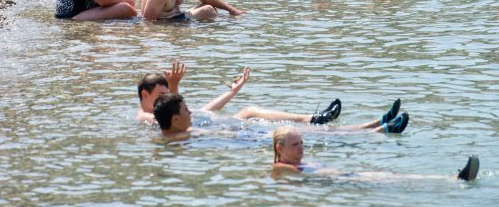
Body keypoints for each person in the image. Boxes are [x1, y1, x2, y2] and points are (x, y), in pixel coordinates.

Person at [272, 127, 479, 179]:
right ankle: (453, 178)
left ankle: (452, 178)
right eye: (295, 145)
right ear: (280, 148)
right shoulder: (281, 168)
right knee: (390, 178)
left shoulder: (294, 164)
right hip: (344, 180)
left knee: (390, 176)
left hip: (346, 176)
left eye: (301, 143)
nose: (301, 147)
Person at [152, 88, 348, 140]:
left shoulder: (176, 125)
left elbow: (205, 110)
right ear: (176, 118)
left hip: (231, 126)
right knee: (283, 134)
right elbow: (223, 136)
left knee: (249, 110)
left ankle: (313, 119)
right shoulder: (186, 134)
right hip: (243, 134)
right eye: (187, 110)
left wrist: (233, 91)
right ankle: (322, 129)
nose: (191, 112)